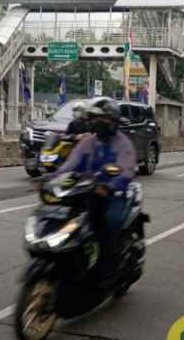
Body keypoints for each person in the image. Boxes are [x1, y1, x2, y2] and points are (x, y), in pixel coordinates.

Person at [48, 98, 137, 278]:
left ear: (112, 121)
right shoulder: (88, 141)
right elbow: (70, 164)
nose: (97, 123)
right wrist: (50, 178)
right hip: (86, 190)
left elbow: (126, 171)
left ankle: (109, 267)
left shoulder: (123, 143)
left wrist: (110, 186)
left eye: (101, 119)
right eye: (93, 119)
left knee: (109, 222)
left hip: (112, 194)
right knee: (62, 216)